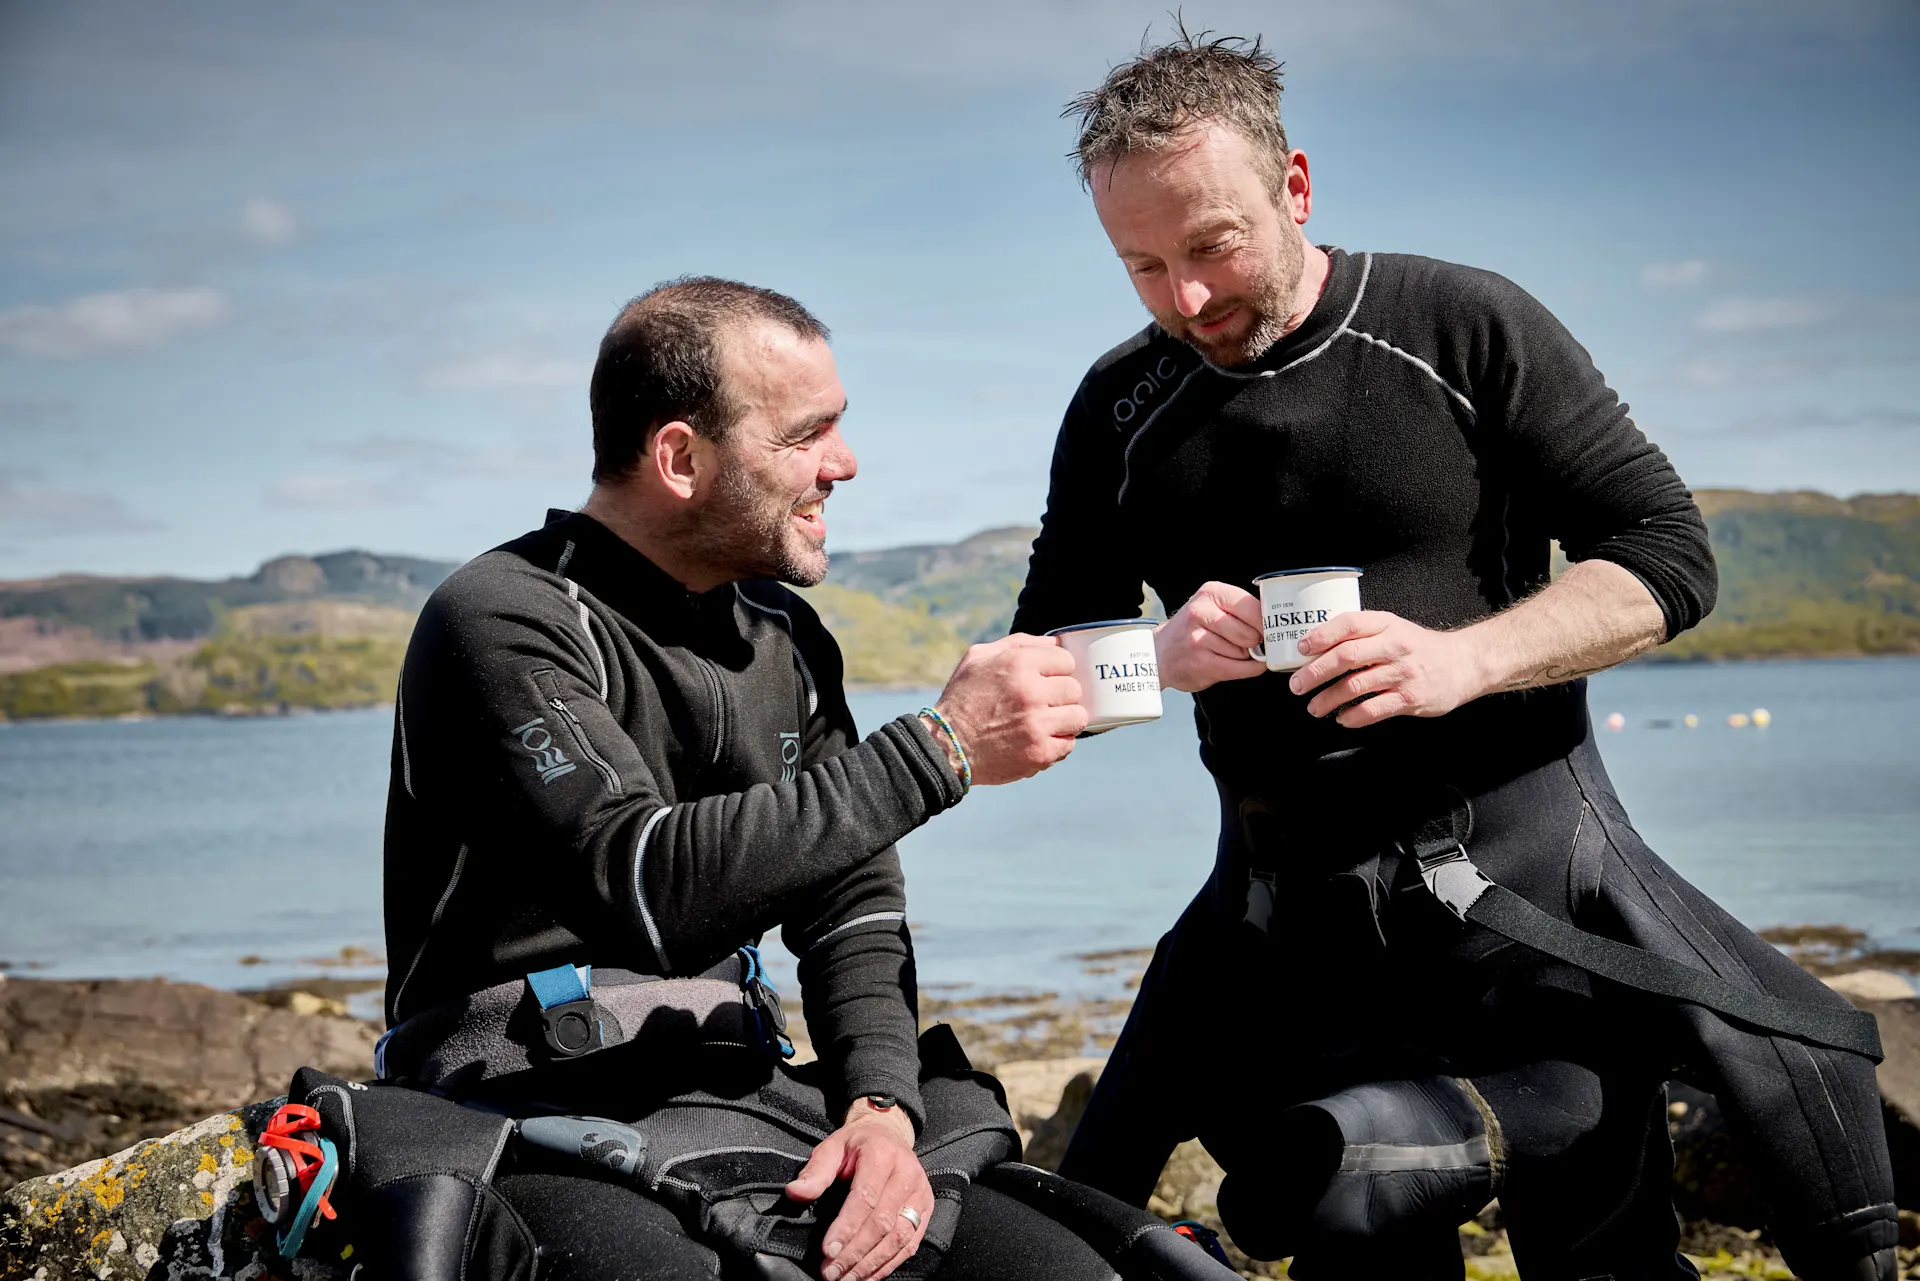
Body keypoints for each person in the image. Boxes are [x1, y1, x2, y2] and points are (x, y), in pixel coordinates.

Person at [1010, 31, 1898, 1281]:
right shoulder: (1120, 409)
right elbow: (1040, 677)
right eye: (1142, 267)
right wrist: (1151, 662)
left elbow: (1666, 557)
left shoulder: (1461, 325)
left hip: (1535, 925)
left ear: (1295, 187)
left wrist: (1465, 663)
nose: (1186, 300)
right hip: (1290, 945)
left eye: (1211, 247)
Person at [378, 277, 1147, 1281]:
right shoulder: (503, 620)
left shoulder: (784, 636)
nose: (846, 463)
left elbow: (851, 902)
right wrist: (942, 749)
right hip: (525, 1101)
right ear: (681, 458)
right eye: (806, 434)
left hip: (749, 1092)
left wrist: (879, 1108)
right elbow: (646, 887)